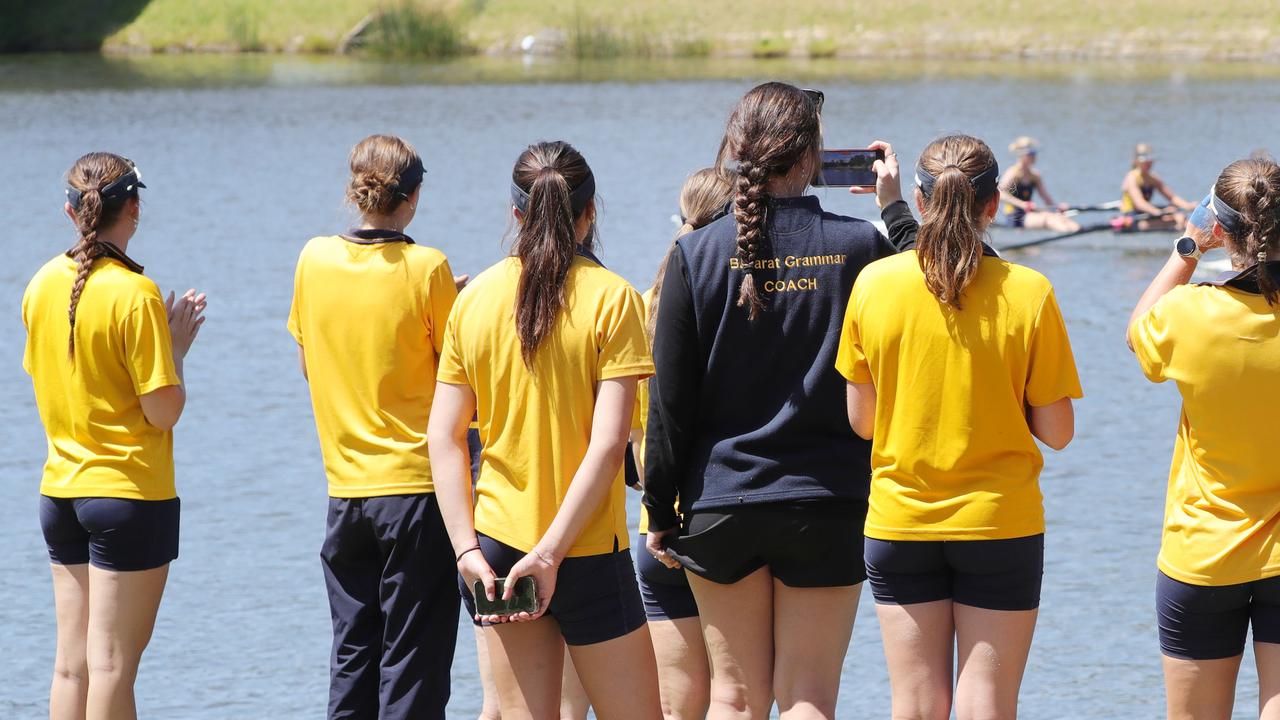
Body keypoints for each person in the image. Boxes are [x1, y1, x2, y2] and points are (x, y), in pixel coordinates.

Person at [642, 82, 899, 719]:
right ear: (812, 157)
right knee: (809, 696)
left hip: (719, 502)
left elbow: (669, 405)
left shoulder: (693, 253)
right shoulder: (863, 248)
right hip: (829, 500)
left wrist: (658, 509)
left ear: (734, 151)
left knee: (733, 698)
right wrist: (894, 207)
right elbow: (931, 294)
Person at [837, 134, 1081, 720]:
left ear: (920, 202)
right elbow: (1059, 430)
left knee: (916, 705)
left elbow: (862, 422)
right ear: (994, 204)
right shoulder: (1030, 292)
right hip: (1000, 523)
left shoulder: (874, 284)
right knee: (987, 706)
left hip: (901, 521)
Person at [428, 140, 661, 719]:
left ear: (515, 216)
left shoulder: (473, 300)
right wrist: (552, 554)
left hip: (498, 545)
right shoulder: (614, 299)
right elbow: (610, 447)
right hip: (583, 549)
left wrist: (465, 552)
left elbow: (444, 438)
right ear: (589, 214)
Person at [22, 152, 206, 720]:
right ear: (134, 207)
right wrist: (175, 353)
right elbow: (163, 412)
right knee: (112, 668)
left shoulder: (40, 283)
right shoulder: (136, 294)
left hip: (61, 495)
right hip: (128, 497)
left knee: (70, 666)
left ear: (70, 210)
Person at [287, 134, 461, 720]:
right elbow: (457, 383)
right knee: (413, 661)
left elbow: (312, 364)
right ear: (412, 198)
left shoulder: (313, 258)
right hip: (416, 491)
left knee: (353, 653)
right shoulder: (428, 266)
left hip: (345, 492)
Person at [1127, 157, 1280, 720]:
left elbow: (1137, 329)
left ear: (1222, 229)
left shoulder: (1190, 314)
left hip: (1205, 548)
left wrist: (1187, 248)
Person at [633, 167, 734, 720]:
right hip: (714, 516)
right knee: (737, 698)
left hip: (654, 528)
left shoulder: (645, 300)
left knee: (676, 709)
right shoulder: (730, 300)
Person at [997, 136, 1079, 233]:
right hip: (1015, 216)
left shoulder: (1035, 176)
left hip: (1028, 214)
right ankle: (1070, 234)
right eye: (1031, 153)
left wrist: (1057, 207)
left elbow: (1046, 197)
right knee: (1048, 218)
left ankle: (1080, 231)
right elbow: (999, 194)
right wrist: (1022, 204)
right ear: (1022, 155)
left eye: (1035, 153)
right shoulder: (1012, 174)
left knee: (1060, 217)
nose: (1035, 157)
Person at [1119, 143, 1196, 232]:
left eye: (1150, 160)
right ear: (1136, 161)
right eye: (1145, 161)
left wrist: (1188, 206)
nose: (1149, 163)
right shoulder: (1131, 177)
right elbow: (1139, 204)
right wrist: (1159, 213)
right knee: (1175, 220)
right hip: (1131, 216)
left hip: (1146, 213)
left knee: (1178, 215)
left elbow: (1172, 197)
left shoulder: (1153, 178)